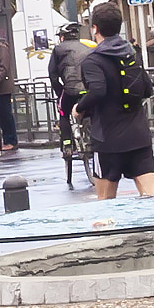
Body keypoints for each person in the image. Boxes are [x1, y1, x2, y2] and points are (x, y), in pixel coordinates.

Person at [75, 3, 154, 199]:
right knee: (153, 198)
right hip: (139, 137)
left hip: (108, 140)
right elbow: (147, 88)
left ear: (94, 28)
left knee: (105, 205)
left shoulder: (92, 60)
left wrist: (79, 108)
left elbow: (97, 90)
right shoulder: (132, 53)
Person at [48, 22, 95, 187]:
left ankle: (67, 145)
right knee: (91, 111)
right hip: (88, 88)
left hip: (70, 89)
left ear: (62, 36)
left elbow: (52, 74)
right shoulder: (86, 47)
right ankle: (93, 139)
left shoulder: (58, 49)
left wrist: (60, 91)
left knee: (63, 113)